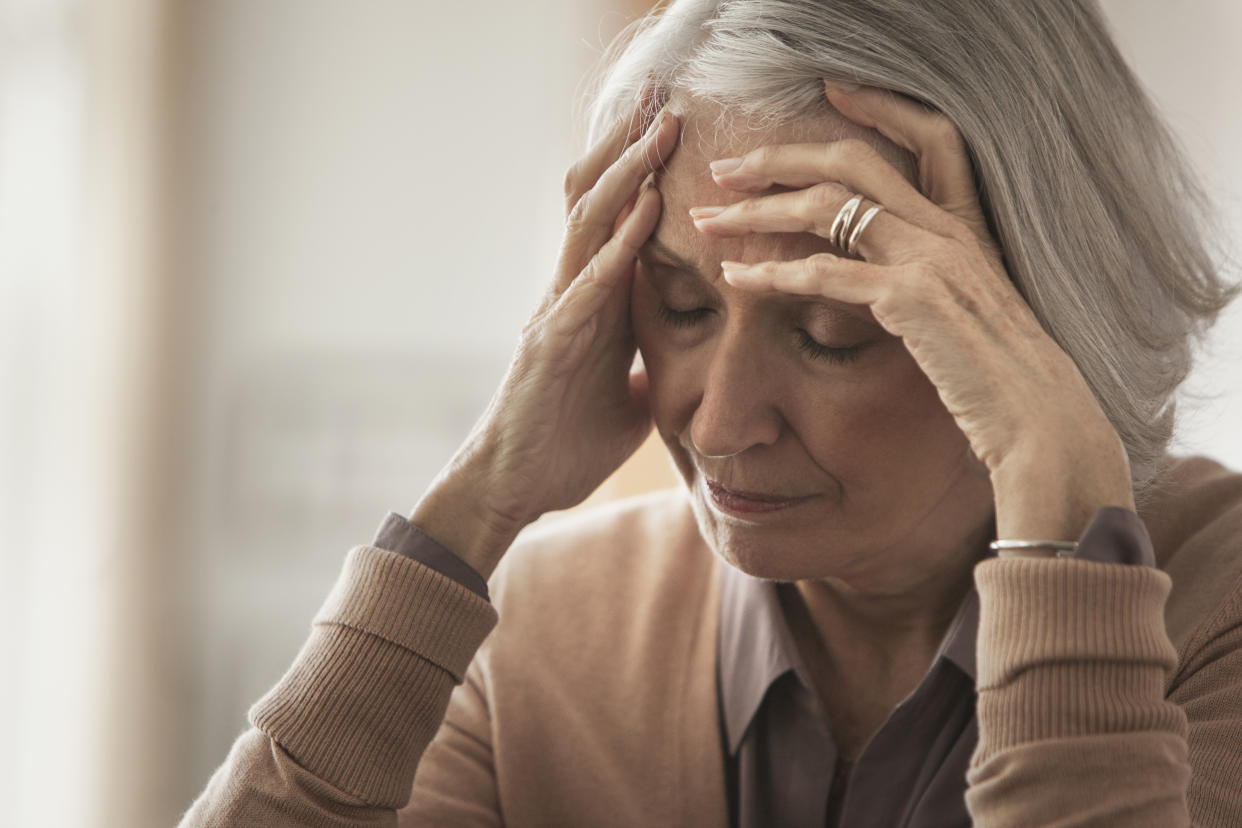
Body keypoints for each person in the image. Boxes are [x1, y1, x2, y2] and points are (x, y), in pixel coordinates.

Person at [180, 1, 1242, 825]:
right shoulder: (547, 623)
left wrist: (1061, 512)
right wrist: (473, 505)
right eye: (680, 305)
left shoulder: (1220, 611)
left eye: (829, 331)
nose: (721, 422)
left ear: (1036, 319)